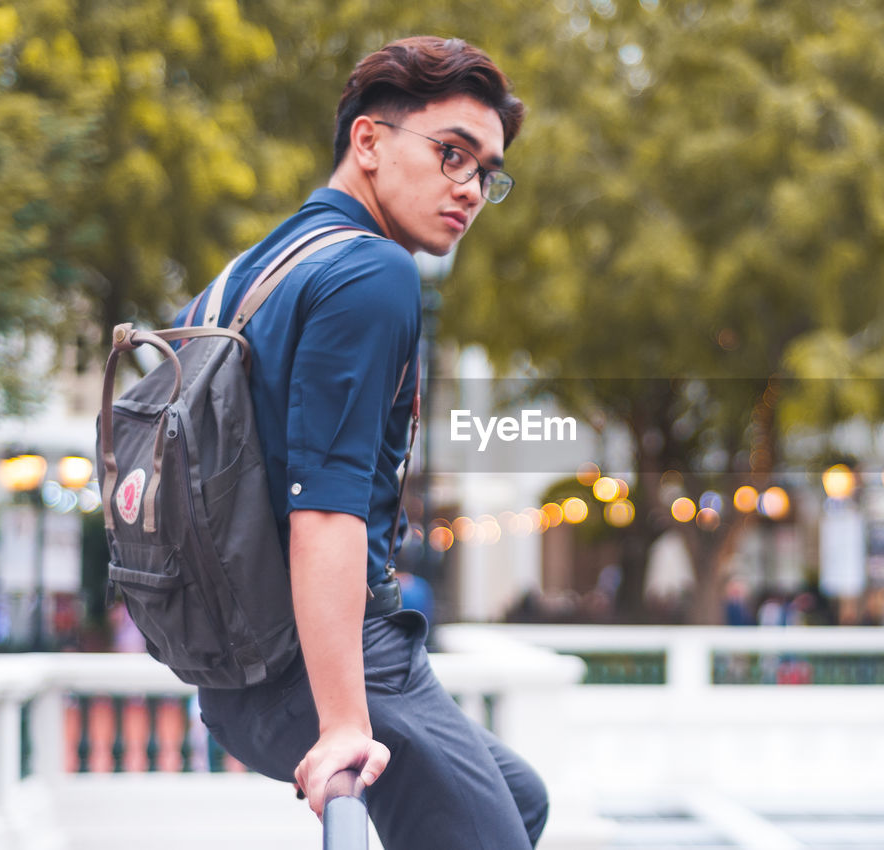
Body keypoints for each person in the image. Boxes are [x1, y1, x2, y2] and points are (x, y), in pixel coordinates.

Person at [183, 37, 546, 849]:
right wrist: (344, 721)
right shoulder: (373, 274)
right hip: (339, 666)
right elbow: (326, 511)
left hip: (235, 674)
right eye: (452, 153)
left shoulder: (251, 269)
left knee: (520, 800)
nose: (471, 188)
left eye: (487, 172)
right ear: (369, 141)